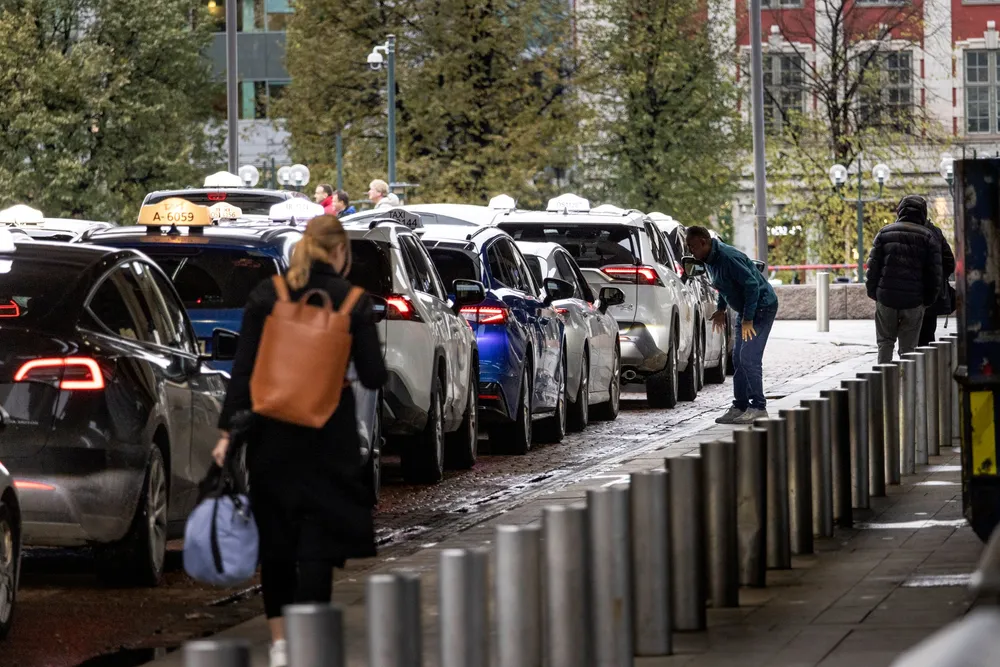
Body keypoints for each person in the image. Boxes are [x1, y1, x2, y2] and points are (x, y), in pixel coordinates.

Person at [211, 215, 387, 667]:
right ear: (341, 252)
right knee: (317, 545)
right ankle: (311, 646)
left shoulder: (267, 294)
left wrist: (228, 431)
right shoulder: (353, 301)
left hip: (273, 433)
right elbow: (372, 375)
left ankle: (281, 646)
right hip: (330, 435)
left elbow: (244, 371)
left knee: (278, 541)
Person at [687, 226, 779, 425]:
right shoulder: (709, 260)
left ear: (704, 242)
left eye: (693, 247)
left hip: (761, 309)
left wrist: (748, 319)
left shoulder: (728, 257)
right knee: (738, 358)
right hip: (745, 310)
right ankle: (740, 405)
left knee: (749, 358)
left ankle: (758, 407)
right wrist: (720, 309)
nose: (691, 252)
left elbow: (752, 286)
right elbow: (724, 286)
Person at [865, 195, 943, 364]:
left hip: (886, 298)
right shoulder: (928, 237)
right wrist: (927, 300)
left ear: (900, 211)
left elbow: (873, 268)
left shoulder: (884, 233)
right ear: (923, 213)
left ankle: (884, 381)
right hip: (914, 301)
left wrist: (874, 293)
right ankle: (907, 384)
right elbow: (935, 274)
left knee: (885, 343)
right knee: (909, 349)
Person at [917, 219, 956, 346]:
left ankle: (907, 363)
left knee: (907, 337)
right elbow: (949, 262)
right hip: (930, 293)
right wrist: (938, 278)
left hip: (906, 294)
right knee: (927, 335)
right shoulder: (934, 232)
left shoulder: (894, 230)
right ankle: (925, 364)